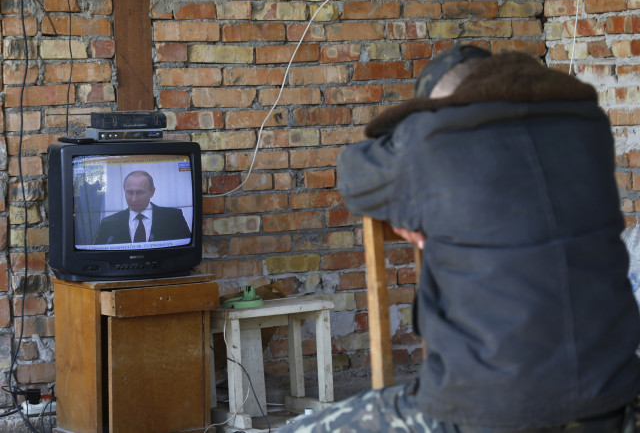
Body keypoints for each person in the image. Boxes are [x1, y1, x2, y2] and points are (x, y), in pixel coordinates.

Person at [279, 46, 640, 432]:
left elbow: (354, 173)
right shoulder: (588, 126)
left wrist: (417, 195)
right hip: (614, 397)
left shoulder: (429, 138)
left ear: (437, 106)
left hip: (482, 411)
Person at [92, 170, 191, 245]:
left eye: (140, 193)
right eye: (129, 193)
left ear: (152, 192)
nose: (134, 199)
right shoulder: (108, 223)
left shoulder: (174, 218)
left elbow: (187, 250)